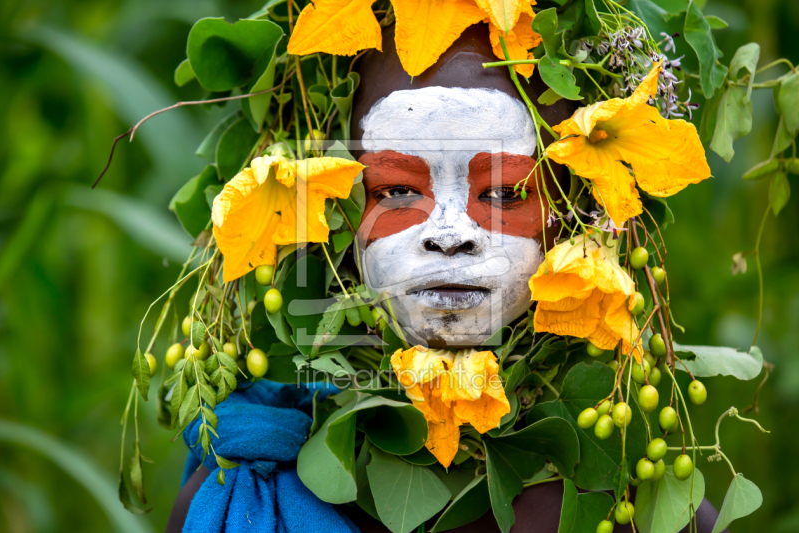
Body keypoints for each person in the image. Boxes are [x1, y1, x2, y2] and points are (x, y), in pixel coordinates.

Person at [167, 23, 725, 533]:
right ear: (334, 215)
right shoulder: (250, 494)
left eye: (504, 193)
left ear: (577, 218)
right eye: (398, 191)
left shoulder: (645, 511)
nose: (450, 234)